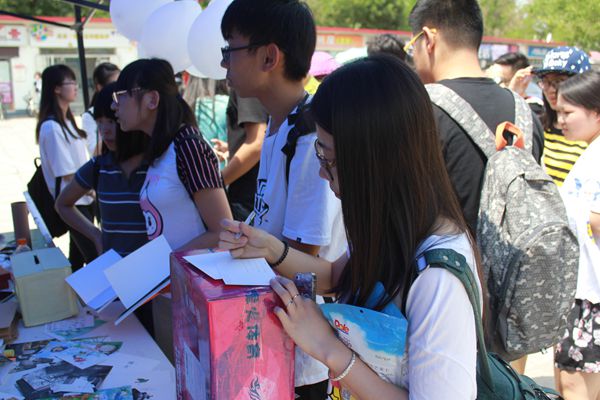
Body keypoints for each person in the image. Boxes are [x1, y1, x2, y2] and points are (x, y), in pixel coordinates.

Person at [219, 55, 482, 400]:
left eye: (327, 156)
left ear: (371, 158)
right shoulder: (389, 228)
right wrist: (271, 248)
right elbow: (335, 276)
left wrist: (329, 349)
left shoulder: (437, 278)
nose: (321, 171)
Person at [407, 0, 544, 373]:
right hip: (511, 303)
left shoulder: (421, 110)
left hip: (442, 302)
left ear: (429, 38)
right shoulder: (525, 113)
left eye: (411, 45)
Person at [221, 0, 347, 397]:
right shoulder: (281, 124)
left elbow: (304, 257)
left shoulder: (309, 138)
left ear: (269, 57)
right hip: (277, 335)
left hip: (302, 353)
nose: (224, 62)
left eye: (230, 49)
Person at [112, 58, 232, 361]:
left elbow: (223, 230)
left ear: (151, 99)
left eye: (121, 95)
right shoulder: (161, 149)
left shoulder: (187, 145)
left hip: (195, 297)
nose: (115, 106)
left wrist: (163, 264)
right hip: (167, 291)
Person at [56, 82, 149, 258]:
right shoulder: (98, 166)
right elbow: (62, 204)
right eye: (99, 122)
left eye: (112, 122)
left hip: (155, 269)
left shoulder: (156, 164)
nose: (105, 131)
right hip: (114, 269)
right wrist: (95, 234)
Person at [554, 71, 600, 400]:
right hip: (583, 290)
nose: (560, 121)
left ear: (596, 112)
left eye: (567, 112)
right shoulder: (590, 151)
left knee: (574, 387)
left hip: (591, 295)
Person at [36, 64, 97, 270]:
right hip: (73, 202)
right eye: (71, 82)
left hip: (82, 198)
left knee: (77, 259)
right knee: (94, 255)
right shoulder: (52, 127)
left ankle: (73, 288)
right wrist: (92, 191)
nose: (75, 87)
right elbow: (67, 173)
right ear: (56, 89)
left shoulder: (67, 122)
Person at [533, 46, 592, 187]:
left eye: (560, 81)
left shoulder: (593, 135)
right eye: (546, 82)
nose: (551, 89)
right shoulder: (536, 127)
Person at [212, 90, 269, 221]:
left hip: (247, 200)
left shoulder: (247, 85)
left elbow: (256, 144)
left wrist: (216, 184)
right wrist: (232, 147)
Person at [82, 62, 121, 156]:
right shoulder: (89, 116)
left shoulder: (125, 108)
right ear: (99, 87)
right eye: (100, 122)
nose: (118, 88)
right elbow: (94, 152)